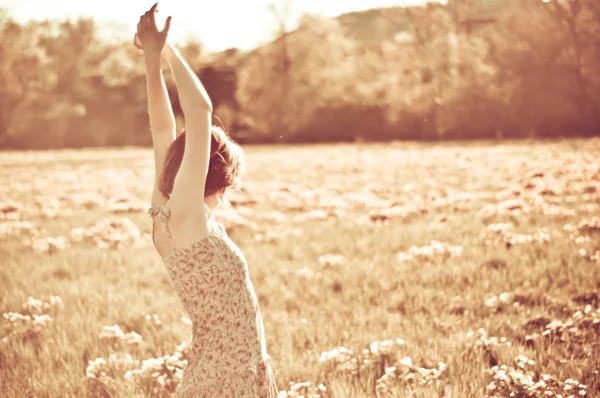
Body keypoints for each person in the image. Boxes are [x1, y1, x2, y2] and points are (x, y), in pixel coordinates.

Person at [135, 3, 278, 397]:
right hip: (226, 378)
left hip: (220, 371)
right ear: (223, 179)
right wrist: (167, 49)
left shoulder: (166, 211)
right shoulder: (188, 216)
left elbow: (163, 125)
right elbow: (199, 112)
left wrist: (151, 59)